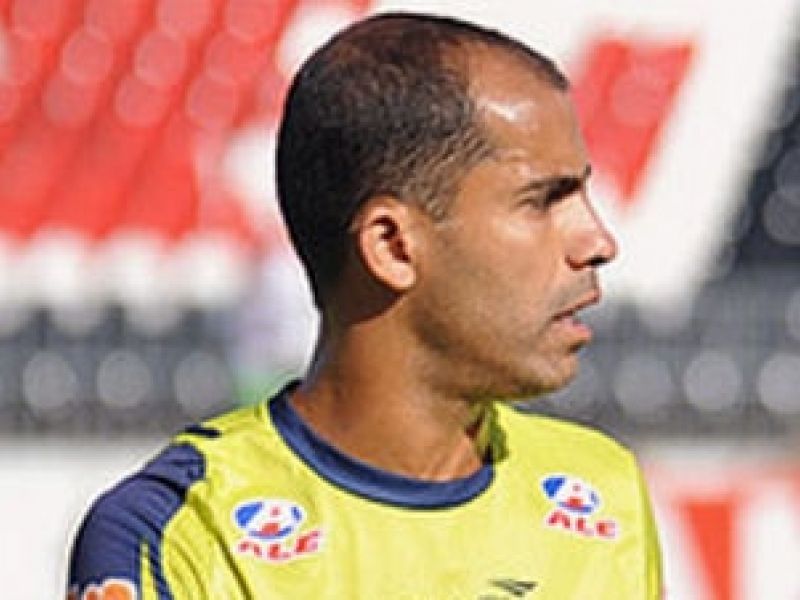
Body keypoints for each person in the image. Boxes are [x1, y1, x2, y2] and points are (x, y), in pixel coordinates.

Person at [67, 12, 662, 600]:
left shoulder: (603, 491)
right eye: (544, 200)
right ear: (392, 246)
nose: (598, 241)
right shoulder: (180, 533)